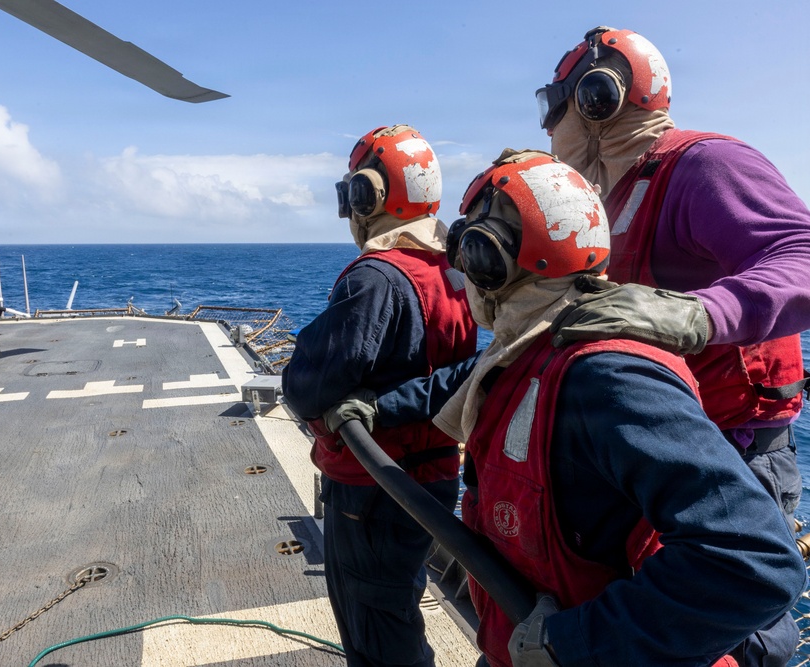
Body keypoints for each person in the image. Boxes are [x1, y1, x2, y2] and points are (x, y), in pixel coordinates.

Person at [435, 148, 806, 667]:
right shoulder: (529, 353)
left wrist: (573, 644)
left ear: (489, 260)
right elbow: (463, 386)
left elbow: (757, 565)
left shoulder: (605, 376)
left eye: (468, 252)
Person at [534, 29, 810, 665]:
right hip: (648, 448)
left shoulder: (705, 166)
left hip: (729, 448)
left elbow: (798, 254)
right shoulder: (612, 192)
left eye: (557, 105)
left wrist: (698, 314)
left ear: (598, 98)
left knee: (732, 624)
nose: (550, 125)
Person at [282, 124, 478, 667]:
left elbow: (307, 387)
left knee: (373, 625)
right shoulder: (452, 270)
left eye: (351, 196)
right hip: (434, 477)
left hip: (373, 488)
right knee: (399, 601)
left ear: (367, 196)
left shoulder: (373, 279)